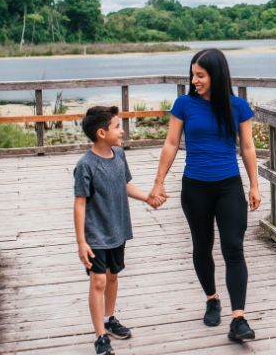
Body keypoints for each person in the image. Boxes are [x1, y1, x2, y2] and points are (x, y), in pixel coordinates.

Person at [148, 48, 261, 342]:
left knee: (233, 247)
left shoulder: (238, 107)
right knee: (202, 245)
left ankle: (238, 318)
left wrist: (255, 184)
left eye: (200, 75)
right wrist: (159, 182)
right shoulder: (184, 104)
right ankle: (212, 298)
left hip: (229, 186)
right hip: (195, 186)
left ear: (216, 75)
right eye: (193, 75)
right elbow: (171, 143)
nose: (194, 80)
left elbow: (247, 148)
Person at [73, 105, 158, 355]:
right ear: (101, 132)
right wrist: (81, 242)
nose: (122, 131)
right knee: (97, 281)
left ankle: (109, 319)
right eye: (117, 127)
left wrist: (148, 198)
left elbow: (125, 185)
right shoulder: (85, 165)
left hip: (117, 230)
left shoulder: (119, 155)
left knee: (112, 277)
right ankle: (100, 335)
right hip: (95, 235)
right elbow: (79, 205)